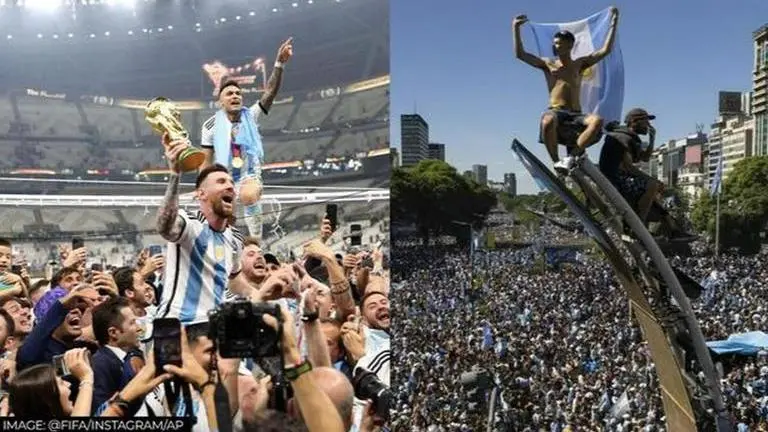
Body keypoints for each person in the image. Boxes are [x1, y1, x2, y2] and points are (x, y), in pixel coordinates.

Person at [200, 38, 293, 238]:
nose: (235, 96)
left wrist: (279, 64)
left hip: (249, 175)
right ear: (220, 101)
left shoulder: (249, 115)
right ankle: (229, 245)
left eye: (238, 93)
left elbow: (269, 92)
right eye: (229, 94)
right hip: (224, 176)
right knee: (225, 216)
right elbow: (206, 162)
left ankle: (256, 241)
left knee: (248, 195)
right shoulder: (210, 127)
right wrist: (203, 188)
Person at [155, 140, 253, 325]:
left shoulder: (235, 239)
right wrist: (175, 174)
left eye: (231, 183)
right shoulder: (190, 223)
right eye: (221, 182)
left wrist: (262, 296)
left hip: (213, 328)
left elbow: (234, 278)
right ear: (201, 194)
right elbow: (164, 227)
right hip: (179, 326)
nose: (230, 187)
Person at [512, 8, 619, 174]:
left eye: (560, 44)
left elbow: (605, 50)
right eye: (555, 43)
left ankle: (571, 157)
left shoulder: (579, 64)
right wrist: (516, 28)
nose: (556, 46)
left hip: (576, 114)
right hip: (557, 111)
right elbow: (521, 55)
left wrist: (613, 22)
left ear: (570, 45)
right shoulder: (548, 64)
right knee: (547, 120)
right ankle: (556, 162)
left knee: (597, 121)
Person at [598, 108, 696, 241]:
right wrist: (653, 182)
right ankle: (638, 228)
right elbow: (628, 167)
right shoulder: (622, 138)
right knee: (651, 186)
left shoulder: (629, 137)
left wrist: (652, 139)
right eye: (646, 121)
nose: (648, 125)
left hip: (617, 180)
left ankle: (673, 230)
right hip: (614, 182)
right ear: (634, 121)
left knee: (654, 198)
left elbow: (644, 158)